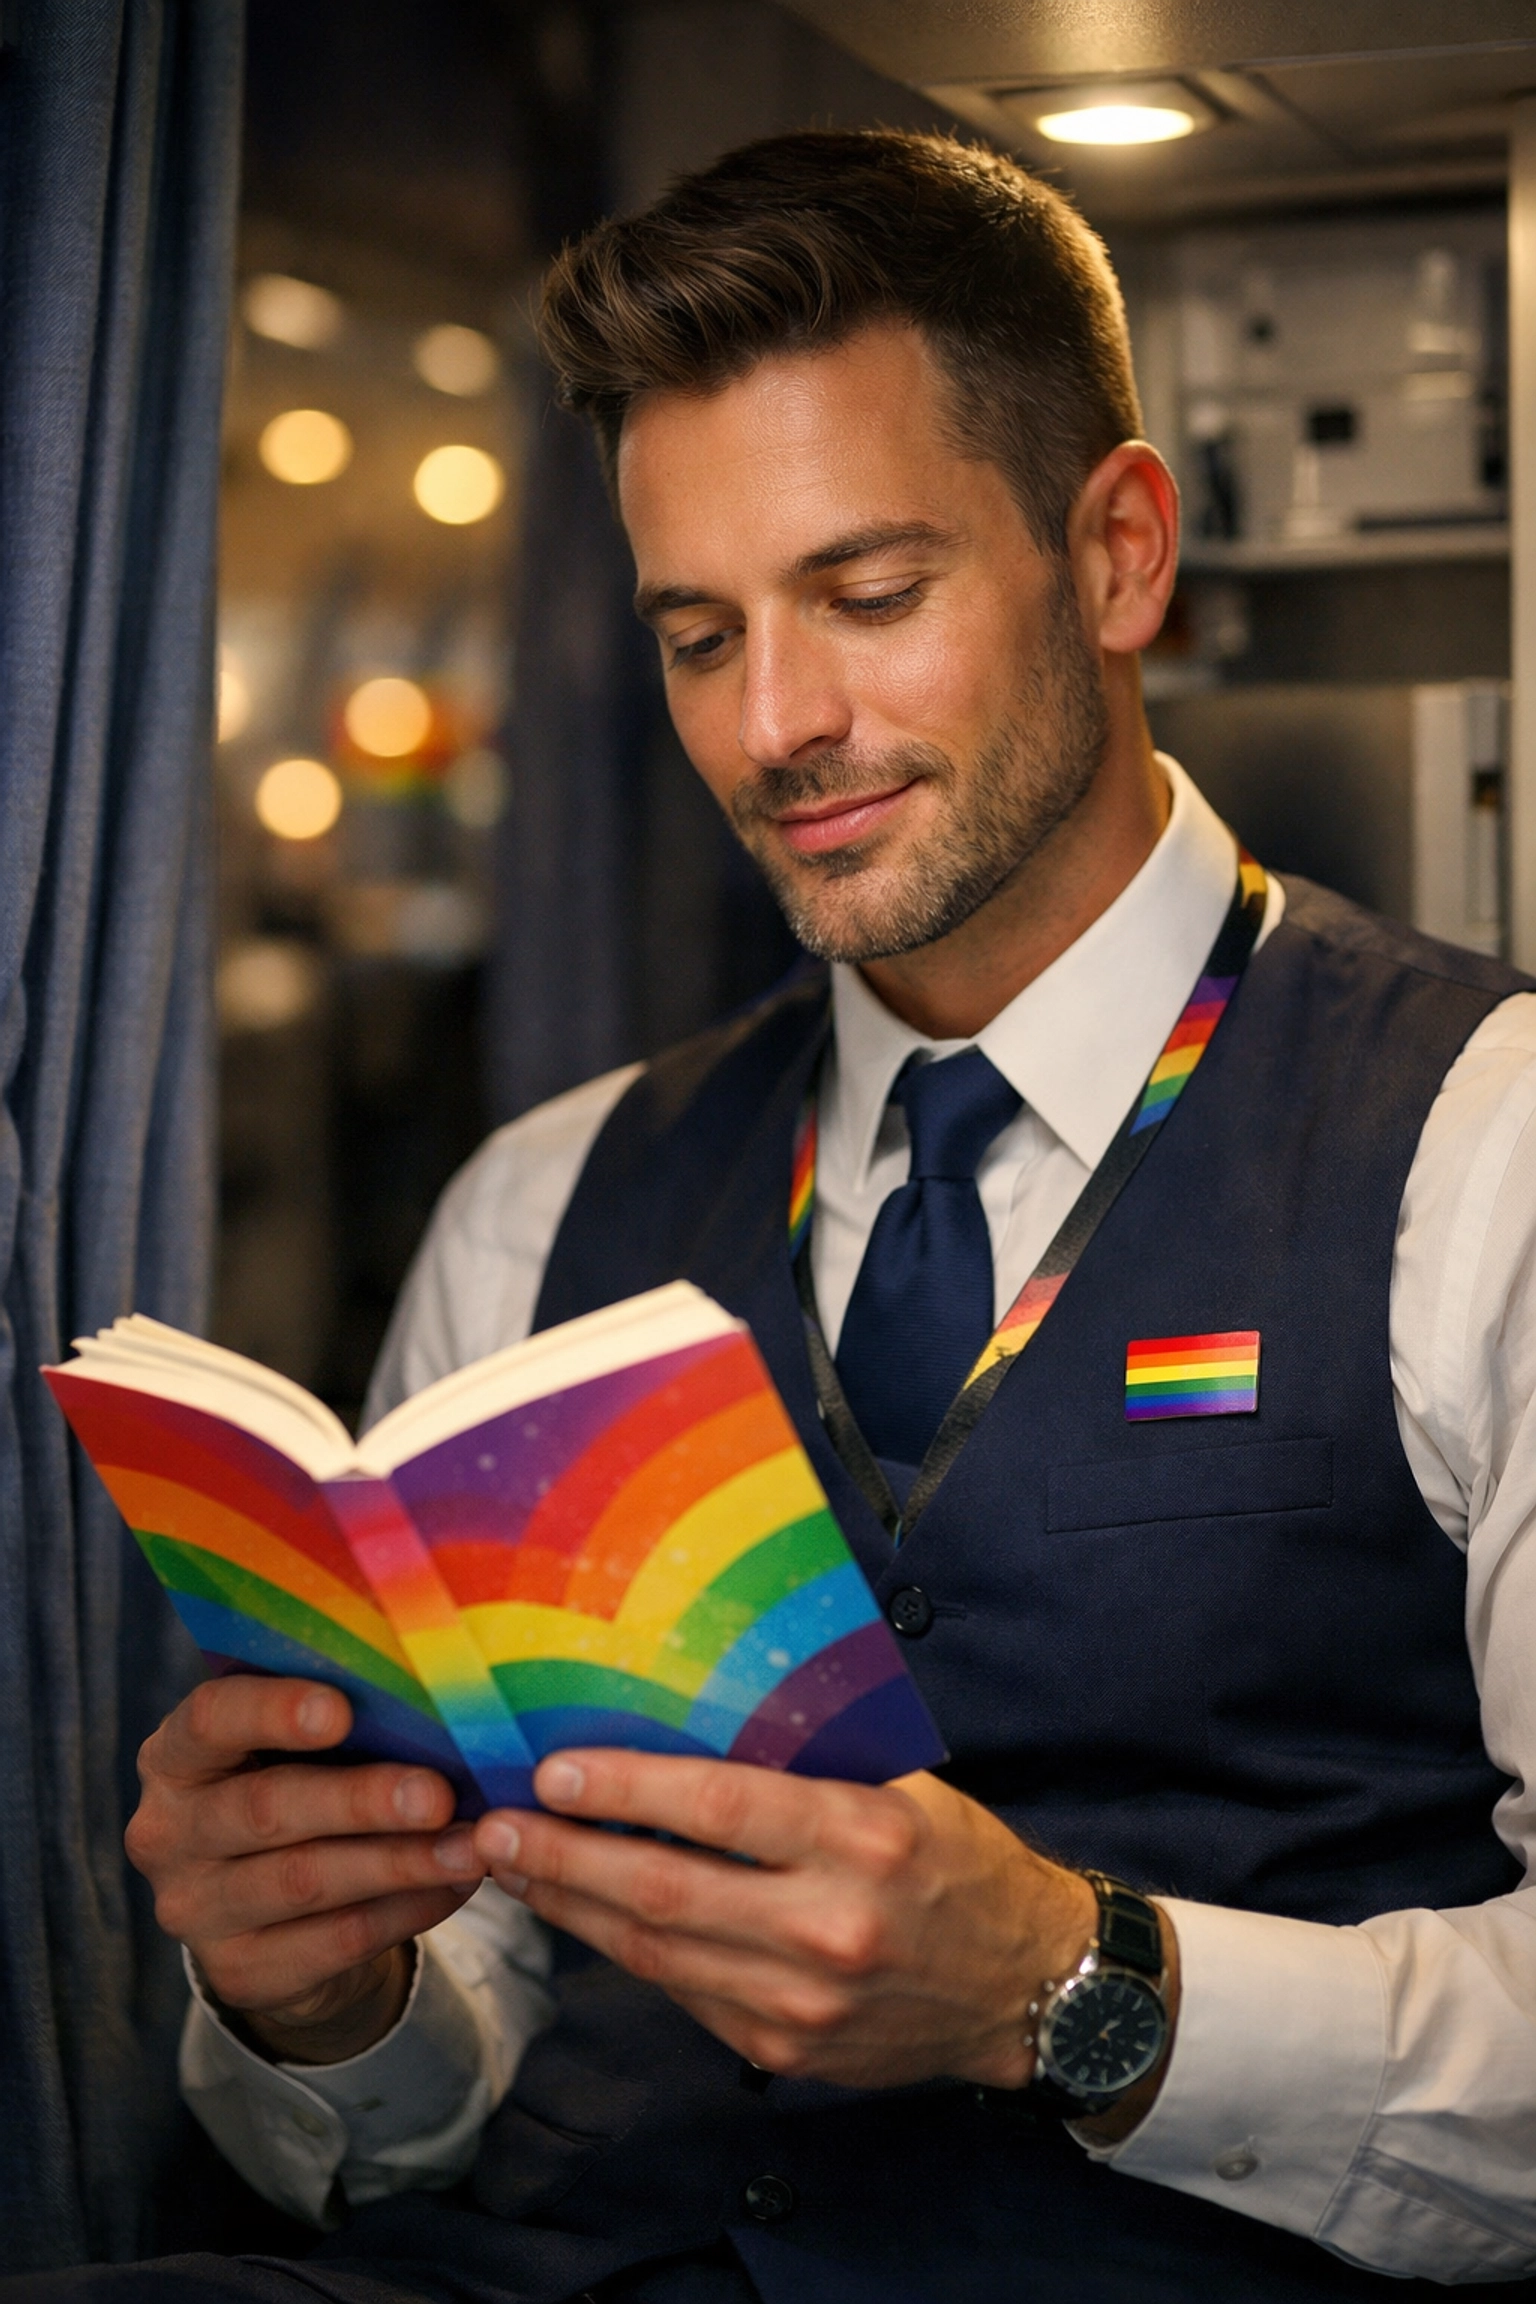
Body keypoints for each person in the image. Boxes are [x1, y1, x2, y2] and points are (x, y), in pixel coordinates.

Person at [18, 130, 1536, 2303]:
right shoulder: (538, 1207)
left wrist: (1078, 1991)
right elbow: (436, 2090)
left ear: (1116, 556)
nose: (775, 727)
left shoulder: (1490, 1150)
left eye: (870, 595)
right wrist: (320, 2003)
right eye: (700, 633)